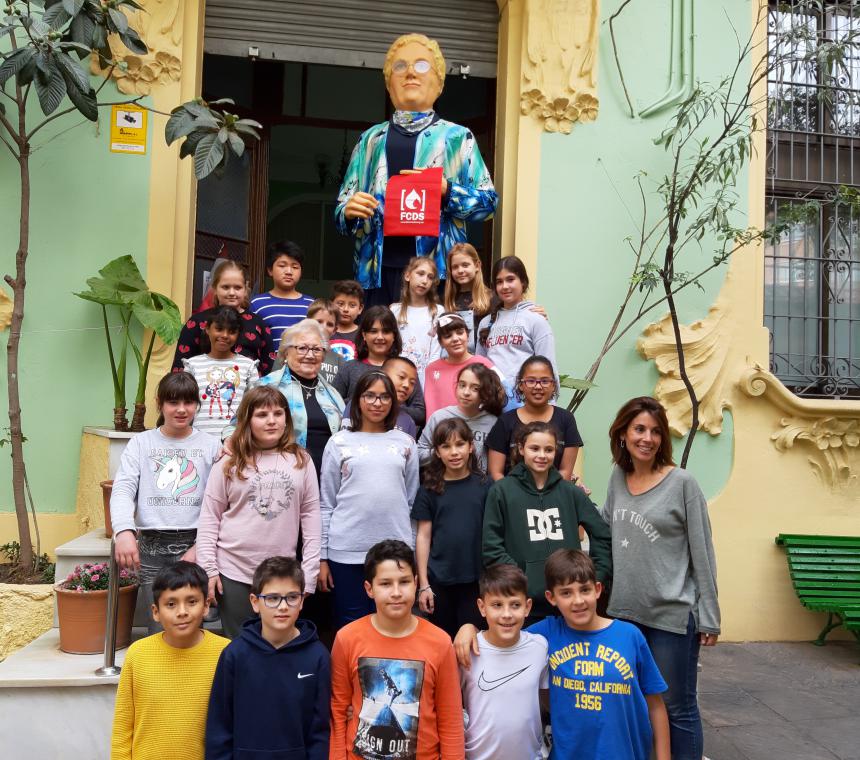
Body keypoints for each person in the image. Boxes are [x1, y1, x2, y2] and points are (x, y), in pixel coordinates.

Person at [456, 550, 671, 760]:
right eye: (566, 593)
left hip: (624, 752)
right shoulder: (546, 634)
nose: (577, 601)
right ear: (551, 597)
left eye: (584, 590)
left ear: (597, 589)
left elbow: (656, 704)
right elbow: (504, 635)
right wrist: (470, 629)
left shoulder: (630, 636)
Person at [335, 33, 497, 306]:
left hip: (438, 273)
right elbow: (341, 211)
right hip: (378, 271)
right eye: (400, 67)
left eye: (421, 66)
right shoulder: (371, 140)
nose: (410, 72)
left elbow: (488, 203)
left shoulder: (457, 138)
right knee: (379, 345)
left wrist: (447, 191)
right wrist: (349, 210)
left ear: (439, 82)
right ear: (389, 83)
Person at [602, 396, 720, 760]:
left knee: (676, 707)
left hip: (669, 617)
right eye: (639, 429)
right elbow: (607, 532)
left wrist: (709, 615)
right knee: (633, 702)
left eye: (655, 431)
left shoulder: (682, 483)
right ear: (623, 434)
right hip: (622, 614)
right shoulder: (618, 478)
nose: (647, 438)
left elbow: (703, 550)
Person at [197, 386, 320, 639]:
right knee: (240, 647)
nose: (272, 421)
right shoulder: (229, 461)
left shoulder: (301, 460)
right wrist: (208, 569)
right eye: (262, 414)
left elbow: (311, 516)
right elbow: (210, 517)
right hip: (233, 572)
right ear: (247, 420)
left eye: (278, 413)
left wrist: (310, 572)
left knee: (278, 646)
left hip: (282, 574)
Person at [329, 540, 465, 759]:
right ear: (369, 589)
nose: (396, 592)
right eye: (385, 583)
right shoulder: (346, 639)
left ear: (416, 583)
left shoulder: (440, 643)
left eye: (404, 582)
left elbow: (450, 719)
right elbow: (337, 711)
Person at [111, 372, 221, 632]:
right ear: (159, 403)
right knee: (159, 626)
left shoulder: (212, 446)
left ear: (197, 404)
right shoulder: (141, 443)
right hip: (151, 548)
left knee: (194, 624)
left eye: (189, 402)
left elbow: (222, 504)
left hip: (197, 543)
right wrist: (124, 530)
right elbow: (123, 488)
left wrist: (201, 547)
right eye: (173, 402)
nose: (181, 410)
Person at [318, 373, 419, 629]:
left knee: (393, 621)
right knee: (351, 624)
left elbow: (410, 500)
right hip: (347, 550)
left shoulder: (405, 443)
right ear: (357, 400)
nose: (377, 403)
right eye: (370, 395)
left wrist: (412, 549)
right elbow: (326, 503)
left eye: (385, 396)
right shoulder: (338, 442)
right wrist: (323, 557)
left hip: (395, 550)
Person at [482, 421, 612, 619]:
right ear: (521, 448)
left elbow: (602, 535)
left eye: (549, 449)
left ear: (556, 452)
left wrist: (594, 577)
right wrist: (521, 580)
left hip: (568, 605)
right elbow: (492, 547)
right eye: (534, 448)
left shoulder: (571, 493)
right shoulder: (501, 492)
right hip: (523, 606)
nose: (542, 455)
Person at [205, 556, 330, 760]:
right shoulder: (235, 654)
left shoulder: (318, 656)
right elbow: (220, 724)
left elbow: (320, 729)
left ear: (301, 601)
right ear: (255, 602)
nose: (282, 606)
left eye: (291, 597)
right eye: (272, 598)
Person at [110, 562, 228, 760]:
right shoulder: (138, 654)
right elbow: (123, 722)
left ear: (206, 605)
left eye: (191, 601)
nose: (182, 612)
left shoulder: (225, 653)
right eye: (171, 604)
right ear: (156, 612)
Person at [459, 564, 548, 760]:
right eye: (497, 605)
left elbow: (544, 700)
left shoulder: (540, 648)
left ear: (528, 607)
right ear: (482, 608)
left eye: (515, 605)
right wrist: (467, 627)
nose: (506, 614)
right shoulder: (467, 650)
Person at [413, 418, 490, 638]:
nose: (454, 452)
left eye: (459, 445)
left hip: (476, 582)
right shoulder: (429, 488)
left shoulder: (485, 486)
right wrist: (424, 585)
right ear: (437, 452)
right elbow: (423, 536)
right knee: (443, 642)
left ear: (471, 447)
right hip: (439, 582)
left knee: (471, 643)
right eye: (446, 446)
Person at [253, 318, 345, 478]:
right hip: (279, 478)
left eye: (317, 349)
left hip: (326, 479)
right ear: (286, 352)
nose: (310, 355)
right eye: (302, 348)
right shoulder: (267, 386)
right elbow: (235, 429)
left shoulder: (333, 395)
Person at [486, 355, 583, 481]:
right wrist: (513, 496)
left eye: (544, 381)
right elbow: (496, 473)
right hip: (511, 498)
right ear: (521, 385)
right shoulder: (505, 421)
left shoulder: (566, 419)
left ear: (553, 385)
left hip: (554, 497)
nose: (538, 386)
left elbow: (565, 472)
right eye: (531, 381)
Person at [172, 259, 274, 375]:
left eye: (237, 287)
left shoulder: (258, 324)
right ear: (215, 288)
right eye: (225, 287)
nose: (231, 292)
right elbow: (180, 371)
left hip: (249, 391)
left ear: (245, 289)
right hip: (203, 391)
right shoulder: (197, 322)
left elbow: (269, 370)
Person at [333, 305, 426, 428]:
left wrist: (391, 408)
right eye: (373, 331)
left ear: (394, 336)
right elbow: (332, 404)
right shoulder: (349, 368)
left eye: (386, 331)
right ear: (364, 335)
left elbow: (420, 413)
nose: (380, 337)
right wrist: (361, 403)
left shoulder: (404, 369)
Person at [477, 257, 556, 393]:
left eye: (510, 279)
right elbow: (479, 367)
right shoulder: (486, 323)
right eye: (499, 282)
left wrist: (550, 408)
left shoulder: (536, 320)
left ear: (523, 282)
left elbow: (549, 366)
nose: (505, 286)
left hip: (526, 403)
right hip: (492, 401)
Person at [181, 305, 259, 437]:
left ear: (238, 334)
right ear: (207, 329)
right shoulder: (192, 365)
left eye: (232, 331)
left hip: (237, 442)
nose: (225, 335)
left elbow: (256, 405)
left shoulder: (248, 366)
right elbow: (184, 404)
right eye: (219, 329)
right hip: (198, 440)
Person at [419, 363, 506, 473]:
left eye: (475, 388)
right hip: (443, 483)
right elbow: (418, 454)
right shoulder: (439, 417)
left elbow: (496, 464)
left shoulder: (493, 423)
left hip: (479, 485)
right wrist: (444, 452)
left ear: (486, 392)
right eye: (462, 385)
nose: (466, 393)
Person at [423, 312, 498, 418]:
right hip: (441, 430)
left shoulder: (484, 364)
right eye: (448, 336)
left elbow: (500, 395)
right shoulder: (431, 369)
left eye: (460, 332)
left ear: (467, 335)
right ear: (440, 342)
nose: (455, 339)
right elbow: (431, 406)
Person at [249, 241, 314, 347]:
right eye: (282, 265)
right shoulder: (256, 304)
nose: (289, 271)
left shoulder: (311, 305)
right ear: (270, 270)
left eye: (295, 267)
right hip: (269, 363)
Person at [390, 256, 442, 386]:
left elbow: (436, 351)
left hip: (426, 380)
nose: (424, 281)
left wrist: (429, 382)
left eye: (430, 277)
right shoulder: (394, 310)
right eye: (420, 274)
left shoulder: (437, 311)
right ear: (408, 275)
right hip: (397, 377)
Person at [341, 356, 420, 439]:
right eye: (401, 377)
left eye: (412, 383)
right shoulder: (357, 405)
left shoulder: (408, 421)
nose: (406, 385)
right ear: (382, 375)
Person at [443, 243, 493, 353]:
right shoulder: (446, 301)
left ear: (477, 266)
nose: (460, 270)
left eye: (465, 265)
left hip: (482, 362)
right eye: (455, 267)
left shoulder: (492, 299)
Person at [303, 298, 346, 385]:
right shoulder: (291, 351)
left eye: (329, 324)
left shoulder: (338, 360)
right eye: (319, 321)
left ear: (334, 330)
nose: (323, 327)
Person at [330, 279, 365, 362]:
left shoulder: (363, 335)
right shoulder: (324, 330)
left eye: (352, 305)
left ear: (360, 309)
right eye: (340, 304)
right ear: (331, 305)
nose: (346, 309)